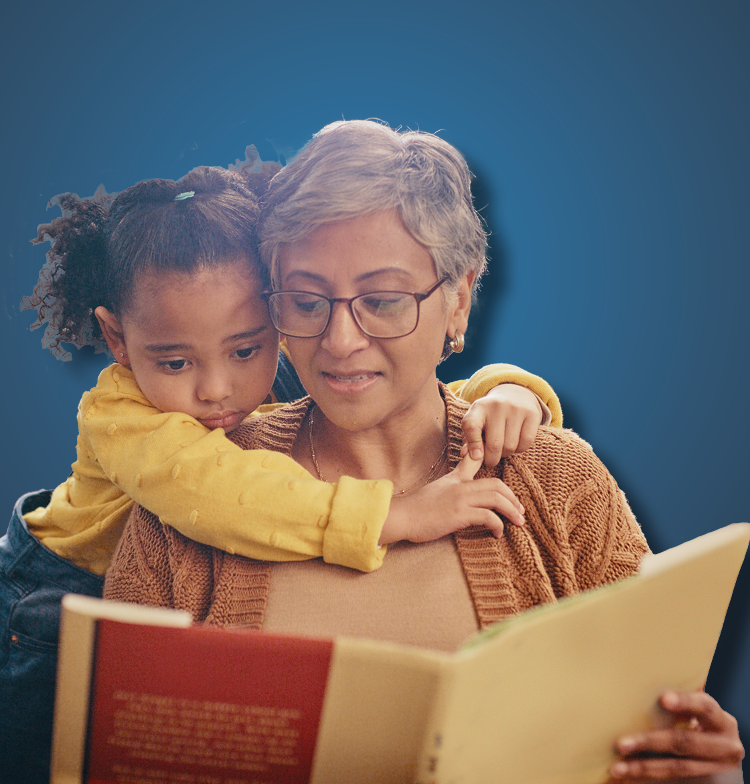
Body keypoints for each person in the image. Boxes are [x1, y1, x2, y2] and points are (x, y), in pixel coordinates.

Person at [105, 121, 745, 781]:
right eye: (306, 301)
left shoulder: (557, 479)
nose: (341, 339)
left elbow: (653, 730)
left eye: (382, 301)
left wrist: (711, 771)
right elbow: (113, 751)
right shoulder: (192, 500)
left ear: (459, 298)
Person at [0, 158, 562, 783]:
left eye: (246, 348)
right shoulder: (122, 418)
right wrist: (392, 515)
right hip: (48, 605)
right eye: (175, 363)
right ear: (117, 339)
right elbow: (225, 495)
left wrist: (511, 392)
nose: (219, 391)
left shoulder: (273, 367)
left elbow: (402, 385)